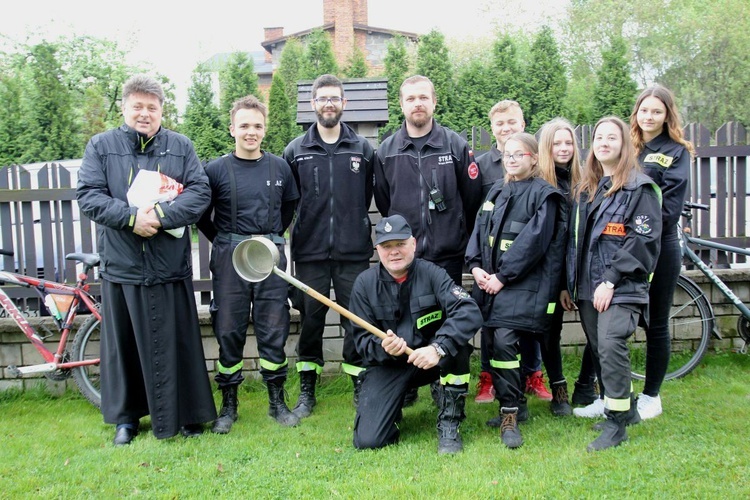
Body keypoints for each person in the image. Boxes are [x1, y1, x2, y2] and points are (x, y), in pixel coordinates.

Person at [77, 74, 216, 445]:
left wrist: (160, 216)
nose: (144, 114)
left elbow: (200, 192)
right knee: (125, 349)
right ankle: (127, 418)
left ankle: (188, 415)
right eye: (137, 106)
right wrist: (130, 218)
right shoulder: (101, 146)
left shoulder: (180, 146)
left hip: (169, 266)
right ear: (124, 108)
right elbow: (89, 194)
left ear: (161, 110)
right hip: (123, 267)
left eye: (151, 108)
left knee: (179, 344)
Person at [373, 75, 482, 405]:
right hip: (406, 257)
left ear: (434, 102)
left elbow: (472, 198)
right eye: (410, 98)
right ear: (401, 104)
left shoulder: (455, 146)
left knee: (445, 317)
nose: (417, 103)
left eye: (423, 97)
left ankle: (441, 379)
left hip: (448, 253)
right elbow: (383, 201)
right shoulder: (386, 151)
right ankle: (406, 382)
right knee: (405, 317)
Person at [197, 95, 301, 431]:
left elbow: (289, 208)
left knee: (274, 328)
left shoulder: (280, 167)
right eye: (244, 126)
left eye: (257, 126)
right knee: (229, 330)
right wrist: (227, 243)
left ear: (264, 128)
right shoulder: (215, 170)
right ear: (232, 129)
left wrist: (270, 240)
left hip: (270, 257)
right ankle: (228, 407)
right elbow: (201, 215)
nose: (250, 132)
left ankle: (277, 403)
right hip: (230, 258)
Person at [565, 116, 662, 451]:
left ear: (625, 146)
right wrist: (571, 285)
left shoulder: (640, 188)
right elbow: (577, 242)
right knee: (598, 347)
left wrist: (609, 280)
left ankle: (616, 424)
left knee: (610, 343)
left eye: (612, 137)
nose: (604, 142)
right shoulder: (588, 189)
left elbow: (642, 242)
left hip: (621, 286)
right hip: (589, 288)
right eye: (598, 137)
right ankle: (626, 408)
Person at [466, 132, 566, 448]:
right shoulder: (497, 190)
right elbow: (479, 232)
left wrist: (503, 277)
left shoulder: (545, 195)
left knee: (506, 342)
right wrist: (476, 267)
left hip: (523, 287)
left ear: (534, 158)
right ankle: (517, 406)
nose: (511, 159)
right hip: (491, 283)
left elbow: (532, 243)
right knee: (494, 343)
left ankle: (509, 414)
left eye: (518, 154)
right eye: (507, 154)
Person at [350, 215, 481, 454]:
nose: (394, 252)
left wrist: (437, 348)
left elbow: (469, 310)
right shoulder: (364, 285)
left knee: (457, 347)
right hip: (388, 365)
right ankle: (393, 406)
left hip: (430, 360)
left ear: (413, 243)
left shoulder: (433, 274)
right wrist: (383, 348)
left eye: (400, 244)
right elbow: (360, 341)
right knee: (369, 441)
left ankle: (450, 423)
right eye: (387, 246)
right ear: (377, 250)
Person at [283, 74, 375, 415]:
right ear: (313, 104)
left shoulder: (362, 149)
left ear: (344, 103)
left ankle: (359, 385)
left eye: (335, 98)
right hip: (310, 252)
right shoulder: (295, 150)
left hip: (353, 253)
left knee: (355, 319)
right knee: (311, 321)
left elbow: (365, 195)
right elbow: (290, 201)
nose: (329, 104)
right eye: (323, 99)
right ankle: (307, 389)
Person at [474, 100, 552, 404]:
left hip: (523, 269)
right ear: (492, 128)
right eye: (499, 124)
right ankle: (488, 379)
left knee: (526, 325)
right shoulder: (481, 166)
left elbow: (538, 232)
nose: (506, 128)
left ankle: (532, 375)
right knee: (490, 324)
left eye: (512, 122)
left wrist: (506, 273)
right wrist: (477, 262)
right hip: (491, 265)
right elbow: (477, 216)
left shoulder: (541, 173)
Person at [630, 85, 693, 420]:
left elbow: (669, 206)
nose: (649, 117)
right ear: (636, 113)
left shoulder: (677, 152)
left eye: (657, 111)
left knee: (655, 323)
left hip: (659, 248)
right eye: (644, 110)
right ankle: (606, 391)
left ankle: (651, 395)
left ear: (668, 115)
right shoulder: (630, 148)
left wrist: (638, 232)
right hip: (625, 246)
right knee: (615, 318)